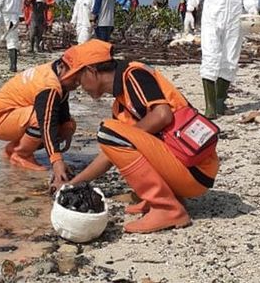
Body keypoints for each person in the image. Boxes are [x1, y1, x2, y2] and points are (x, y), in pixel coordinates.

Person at [53, 40, 219, 234]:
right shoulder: (119, 105)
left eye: (80, 79)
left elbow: (163, 115)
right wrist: (72, 184)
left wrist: (127, 137)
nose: (81, 86)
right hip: (183, 168)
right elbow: (111, 153)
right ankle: (169, 198)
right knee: (113, 135)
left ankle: (167, 208)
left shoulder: (133, 74)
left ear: (91, 71)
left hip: (196, 169)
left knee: (110, 131)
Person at [0, 56, 79, 171]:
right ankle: (22, 156)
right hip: (0, 121)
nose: (77, 83)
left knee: (69, 125)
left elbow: (62, 110)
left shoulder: (56, 74)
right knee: (40, 119)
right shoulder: (50, 85)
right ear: (62, 67)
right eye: (75, 77)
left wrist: (67, 130)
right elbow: (46, 122)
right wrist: (56, 159)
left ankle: (14, 148)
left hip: (14, 116)